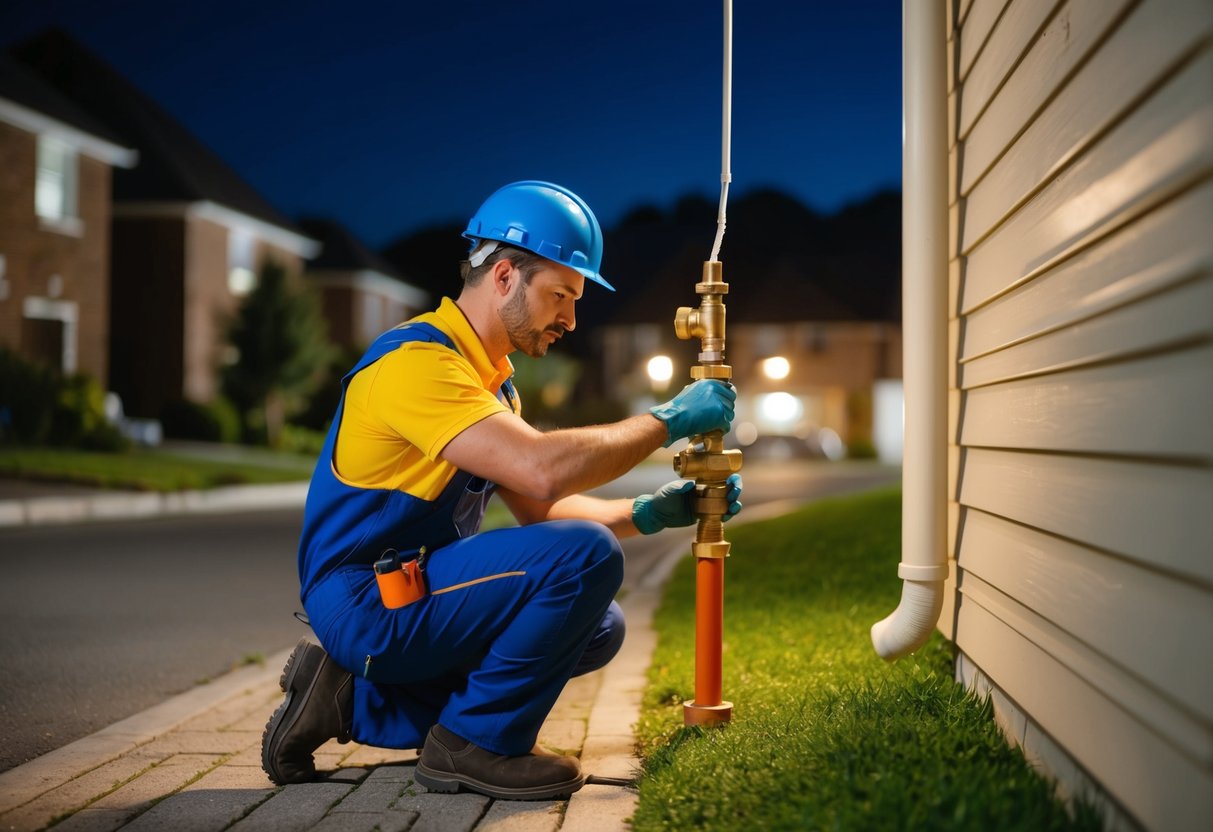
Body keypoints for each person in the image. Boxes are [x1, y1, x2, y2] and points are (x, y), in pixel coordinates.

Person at [261, 180, 741, 800]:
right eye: (562, 295)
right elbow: (542, 469)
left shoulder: (490, 385)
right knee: (583, 560)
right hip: (365, 601)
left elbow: (541, 507)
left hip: (408, 586)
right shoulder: (416, 365)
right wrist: (669, 419)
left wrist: (648, 512)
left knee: (597, 624)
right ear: (507, 275)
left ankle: (351, 700)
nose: (571, 318)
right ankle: (475, 745)